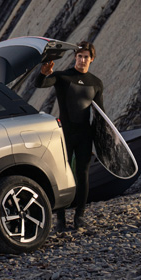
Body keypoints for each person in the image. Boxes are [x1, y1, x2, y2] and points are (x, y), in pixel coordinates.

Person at [36, 40, 104, 233]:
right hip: (64, 133)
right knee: (62, 173)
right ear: (75, 57)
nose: (82, 60)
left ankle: (79, 217)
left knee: (82, 174)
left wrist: (102, 140)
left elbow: (100, 115)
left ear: (91, 59)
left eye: (86, 57)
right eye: (79, 56)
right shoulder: (62, 77)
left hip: (84, 135)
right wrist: (43, 73)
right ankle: (60, 219)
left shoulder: (96, 83)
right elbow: (40, 84)